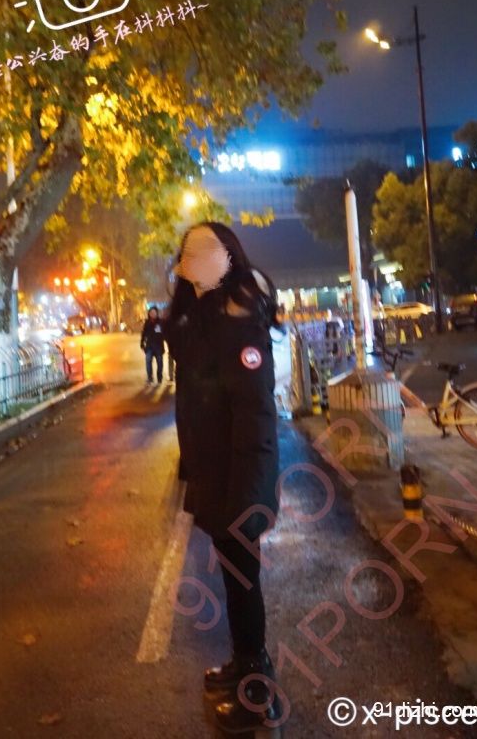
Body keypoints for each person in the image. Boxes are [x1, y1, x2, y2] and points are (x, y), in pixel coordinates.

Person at [165, 222, 282, 733]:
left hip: (239, 482)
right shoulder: (206, 318)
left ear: (229, 258)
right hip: (216, 477)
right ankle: (245, 664)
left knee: (243, 582)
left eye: (207, 253)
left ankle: (259, 694)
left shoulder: (240, 320)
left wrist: (249, 497)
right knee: (235, 582)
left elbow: (255, 416)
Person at [140, 306, 165, 383]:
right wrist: (142, 343)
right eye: (151, 313)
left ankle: (159, 377)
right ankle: (150, 377)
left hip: (158, 346)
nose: (153, 314)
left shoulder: (160, 322)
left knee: (160, 363)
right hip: (149, 346)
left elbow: (164, 333)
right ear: (149, 314)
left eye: (154, 312)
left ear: (157, 313)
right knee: (148, 361)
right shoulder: (147, 323)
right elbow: (143, 334)